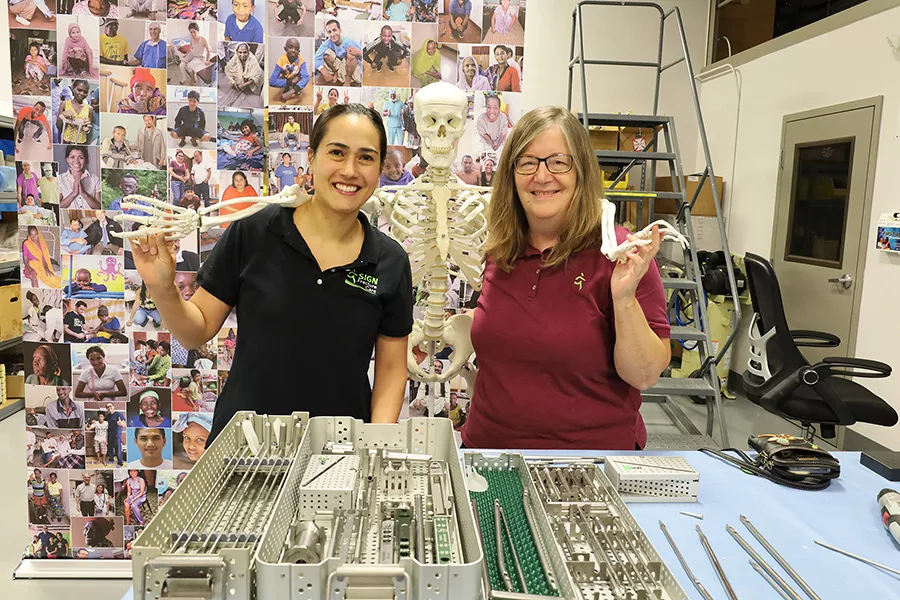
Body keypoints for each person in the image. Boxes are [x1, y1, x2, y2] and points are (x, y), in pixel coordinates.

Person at [128, 104, 413, 441]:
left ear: (380, 168)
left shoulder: (389, 259)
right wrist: (162, 287)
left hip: (339, 452)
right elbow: (196, 330)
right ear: (311, 157)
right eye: (337, 152)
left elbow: (392, 371)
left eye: (366, 158)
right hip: (245, 447)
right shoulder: (254, 232)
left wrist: (374, 446)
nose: (350, 170)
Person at [461, 107, 671, 450]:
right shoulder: (499, 251)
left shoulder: (621, 253)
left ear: (582, 172)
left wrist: (624, 299)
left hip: (589, 464)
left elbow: (644, 376)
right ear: (511, 175)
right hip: (489, 454)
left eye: (558, 161)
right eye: (527, 162)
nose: (542, 176)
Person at [314, 19, 362, 86]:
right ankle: (336, 73)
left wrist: (359, 53)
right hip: (339, 63)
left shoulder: (348, 42)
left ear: (340, 30)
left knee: (350, 54)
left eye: (334, 30)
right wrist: (323, 70)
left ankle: (348, 80)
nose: (332, 34)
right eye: (329, 32)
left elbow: (362, 56)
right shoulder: (328, 42)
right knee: (326, 54)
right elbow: (316, 56)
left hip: (349, 66)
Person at [270, 38, 310, 103]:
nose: (293, 50)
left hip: (296, 77)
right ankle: (289, 85)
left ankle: (294, 87)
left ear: (299, 51)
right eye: (290, 47)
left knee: (302, 76)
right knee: (280, 75)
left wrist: (290, 92)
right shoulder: (281, 60)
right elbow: (272, 81)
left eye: (296, 48)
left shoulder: (301, 61)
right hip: (287, 78)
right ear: (285, 49)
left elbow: (306, 78)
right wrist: (290, 82)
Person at [57, 79, 94, 145]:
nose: (82, 94)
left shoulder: (89, 109)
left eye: (85, 92)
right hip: (66, 141)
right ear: (73, 89)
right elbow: (58, 126)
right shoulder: (64, 104)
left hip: (81, 143)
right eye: (79, 90)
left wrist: (87, 129)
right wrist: (63, 115)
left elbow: (89, 129)